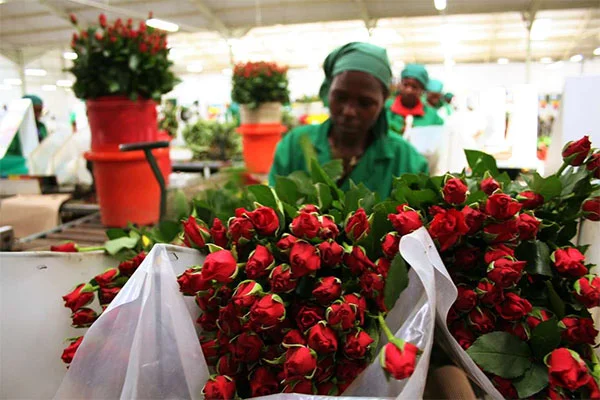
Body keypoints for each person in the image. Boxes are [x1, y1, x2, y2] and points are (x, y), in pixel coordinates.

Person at [268, 42, 428, 199]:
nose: (349, 111)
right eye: (340, 97)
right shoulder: (295, 145)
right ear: (328, 91)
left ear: (384, 100)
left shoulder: (407, 162)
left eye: (365, 103)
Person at [385, 64, 444, 135]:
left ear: (422, 90)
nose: (409, 90)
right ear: (399, 85)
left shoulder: (432, 117)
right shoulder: (385, 110)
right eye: (405, 85)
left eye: (414, 87)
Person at [0, 94, 47, 175]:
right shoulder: (11, 129)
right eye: (35, 111)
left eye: (40, 111)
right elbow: (6, 155)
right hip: (17, 165)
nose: (38, 114)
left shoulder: (41, 127)